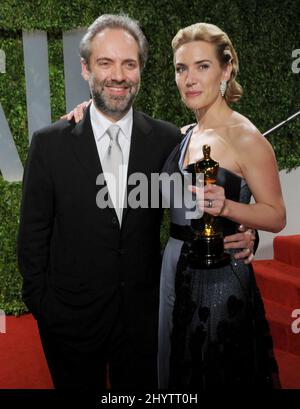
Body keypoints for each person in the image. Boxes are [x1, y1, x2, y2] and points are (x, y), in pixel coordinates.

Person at [18, 13, 255, 390]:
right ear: (85, 69)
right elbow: (32, 235)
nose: (118, 75)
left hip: (143, 323)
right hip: (70, 322)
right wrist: (46, 310)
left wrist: (246, 233)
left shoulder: (166, 140)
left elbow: (199, 206)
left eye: (129, 63)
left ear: (140, 70)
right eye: (105, 63)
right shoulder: (50, 143)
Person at [157, 22, 286, 389]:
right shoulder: (185, 133)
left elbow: (276, 215)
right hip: (176, 267)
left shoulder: (247, 138)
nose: (189, 79)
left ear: (226, 70)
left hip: (217, 279)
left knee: (215, 371)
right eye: (181, 69)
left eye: (203, 66)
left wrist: (229, 209)